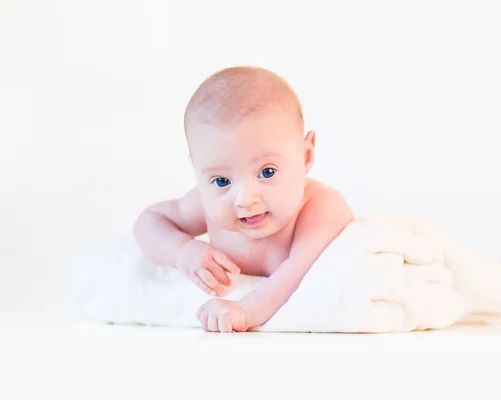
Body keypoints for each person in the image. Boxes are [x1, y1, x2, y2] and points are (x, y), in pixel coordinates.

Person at [133, 66, 355, 333]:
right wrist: (182, 251)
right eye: (221, 181)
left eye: (267, 172)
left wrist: (244, 311)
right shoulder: (206, 205)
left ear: (305, 156)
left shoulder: (321, 208)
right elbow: (149, 221)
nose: (245, 199)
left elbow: (298, 273)